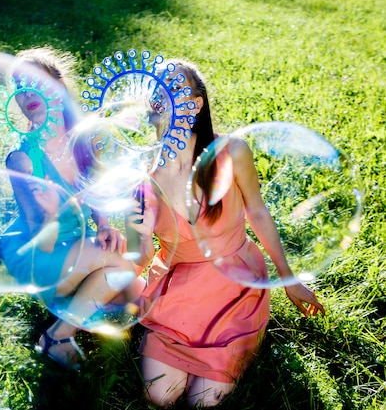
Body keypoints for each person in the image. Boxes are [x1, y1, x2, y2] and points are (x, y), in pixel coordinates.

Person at [126, 58, 326, 408]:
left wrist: (287, 278)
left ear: (197, 103)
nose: (163, 95)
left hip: (233, 285)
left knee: (204, 402)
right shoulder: (142, 175)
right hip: (177, 290)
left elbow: (258, 214)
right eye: (157, 89)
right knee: (159, 395)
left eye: (175, 87)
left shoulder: (231, 151)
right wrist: (108, 283)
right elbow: (138, 250)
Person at [0, 47, 135, 370]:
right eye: (19, 86)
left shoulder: (83, 141)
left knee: (128, 295)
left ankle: (63, 324)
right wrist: (48, 215)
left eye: (33, 80)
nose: (26, 91)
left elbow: (96, 195)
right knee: (123, 268)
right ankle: (56, 338)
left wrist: (103, 225)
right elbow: (42, 242)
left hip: (79, 246)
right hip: (42, 257)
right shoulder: (21, 160)